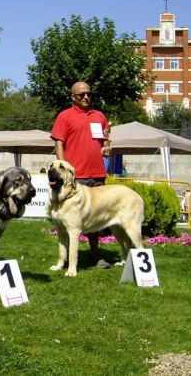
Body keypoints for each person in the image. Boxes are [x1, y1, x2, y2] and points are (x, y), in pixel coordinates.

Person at [50, 81, 111, 269]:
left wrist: (107, 147)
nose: (86, 97)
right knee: (68, 220)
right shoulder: (65, 116)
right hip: (76, 178)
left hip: (98, 174)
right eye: (81, 95)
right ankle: (66, 259)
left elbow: (106, 140)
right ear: (73, 97)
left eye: (88, 94)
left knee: (95, 218)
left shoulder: (100, 116)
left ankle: (95, 255)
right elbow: (59, 143)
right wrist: (63, 168)